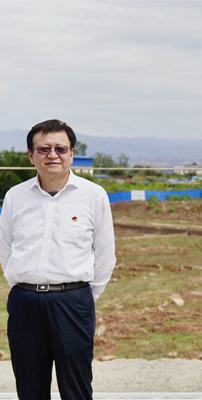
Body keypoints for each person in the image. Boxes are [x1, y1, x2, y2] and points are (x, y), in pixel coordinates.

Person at [0, 119, 116, 399]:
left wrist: (84, 296)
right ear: (31, 155)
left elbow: (105, 253)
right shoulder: (15, 196)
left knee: (76, 389)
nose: (52, 155)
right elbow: (6, 248)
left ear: (71, 154)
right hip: (25, 304)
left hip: (73, 303)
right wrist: (23, 285)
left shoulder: (93, 196)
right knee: (30, 389)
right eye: (44, 149)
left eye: (60, 149)